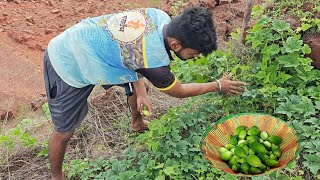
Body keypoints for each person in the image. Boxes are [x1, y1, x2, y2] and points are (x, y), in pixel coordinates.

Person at [43, 6, 246, 179]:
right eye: (193, 54)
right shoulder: (155, 63)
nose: (195, 58)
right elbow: (179, 91)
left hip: (101, 46)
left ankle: (137, 123)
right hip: (68, 61)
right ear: (175, 45)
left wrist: (140, 91)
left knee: (140, 88)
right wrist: (218, 85)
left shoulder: (159, 17)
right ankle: (56, 176)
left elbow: (134, 55)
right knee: (64, 131)